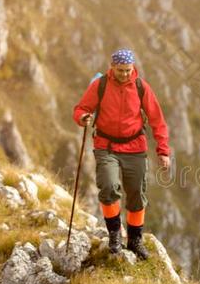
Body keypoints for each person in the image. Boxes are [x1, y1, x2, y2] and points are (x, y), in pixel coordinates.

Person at [73, 49, 171, 260]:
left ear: (133, 67)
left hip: (135, 147)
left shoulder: (141, 87)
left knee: (136, 193)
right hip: (106, 146)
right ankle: (115, 234)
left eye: (128, 70)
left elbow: (157, 120)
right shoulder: (100, 85)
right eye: (120, 70)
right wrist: (83, 117)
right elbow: (81, 108)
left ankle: (135, 240)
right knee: (108, 187)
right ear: (112, 67)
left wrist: (163, 151)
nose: (125, 74)